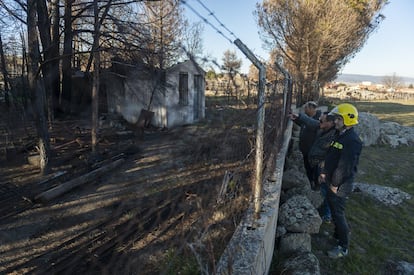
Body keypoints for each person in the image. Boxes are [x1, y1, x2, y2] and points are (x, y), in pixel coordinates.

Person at [319, 103, 363, 259]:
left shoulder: (353, 140)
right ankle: (338, 234)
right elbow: (331, 156)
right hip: (332, 180)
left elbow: (345, 168)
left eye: (338, 119)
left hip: (340, 184)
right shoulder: (340, 134)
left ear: (348, 120)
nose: (335, 121)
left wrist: (335, 185)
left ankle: (343, 247)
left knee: (338, 213)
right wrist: (324, 173)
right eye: (336, 118)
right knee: (335, 210)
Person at [308, 112, 336, 222]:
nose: (319, 122)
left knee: (326, 190)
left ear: (329, 123)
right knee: (322, 189)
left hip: (323, 166)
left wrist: (323, 167)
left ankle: (327, 214)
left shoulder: (332, 136)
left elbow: (329, 153)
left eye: (322, 121)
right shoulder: (324, 131)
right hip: (318, 164)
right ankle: (324, 211)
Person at [289, 101, 321, 186]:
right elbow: (304, 124)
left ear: (312, 108)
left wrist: (300, 116)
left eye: (306, 108)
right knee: (308, 167)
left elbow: (310, 123)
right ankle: (311, 182)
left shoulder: (318, 120)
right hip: (306, 149)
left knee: (314, 168)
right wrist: (295, 119)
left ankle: (316, 184)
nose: (304, 110)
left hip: (312, 150)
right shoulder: (308, 118)